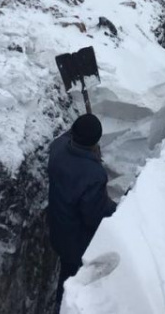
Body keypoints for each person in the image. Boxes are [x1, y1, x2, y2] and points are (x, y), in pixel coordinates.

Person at [48, 114, 117, 312]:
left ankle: (57, 304)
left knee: (64, 273)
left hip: (57, 229)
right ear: (95, 141)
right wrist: (117, 208)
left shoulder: (57, 149)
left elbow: (65, 137)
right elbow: (93, 215)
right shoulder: (93, 174)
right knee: (73, 281)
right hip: (76, 243)